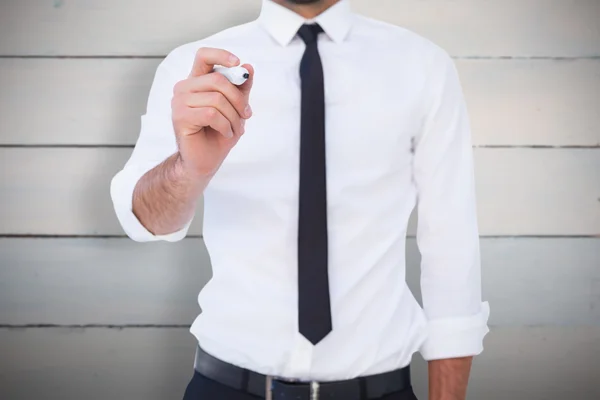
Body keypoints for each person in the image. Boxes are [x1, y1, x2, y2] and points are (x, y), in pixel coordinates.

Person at [110, 0, 490, 399]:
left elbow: (451, 247)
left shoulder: (422, 66)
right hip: (227, 386)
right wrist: (191, 169)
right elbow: (147, 222)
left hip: (379, 388)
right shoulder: (194, 69)